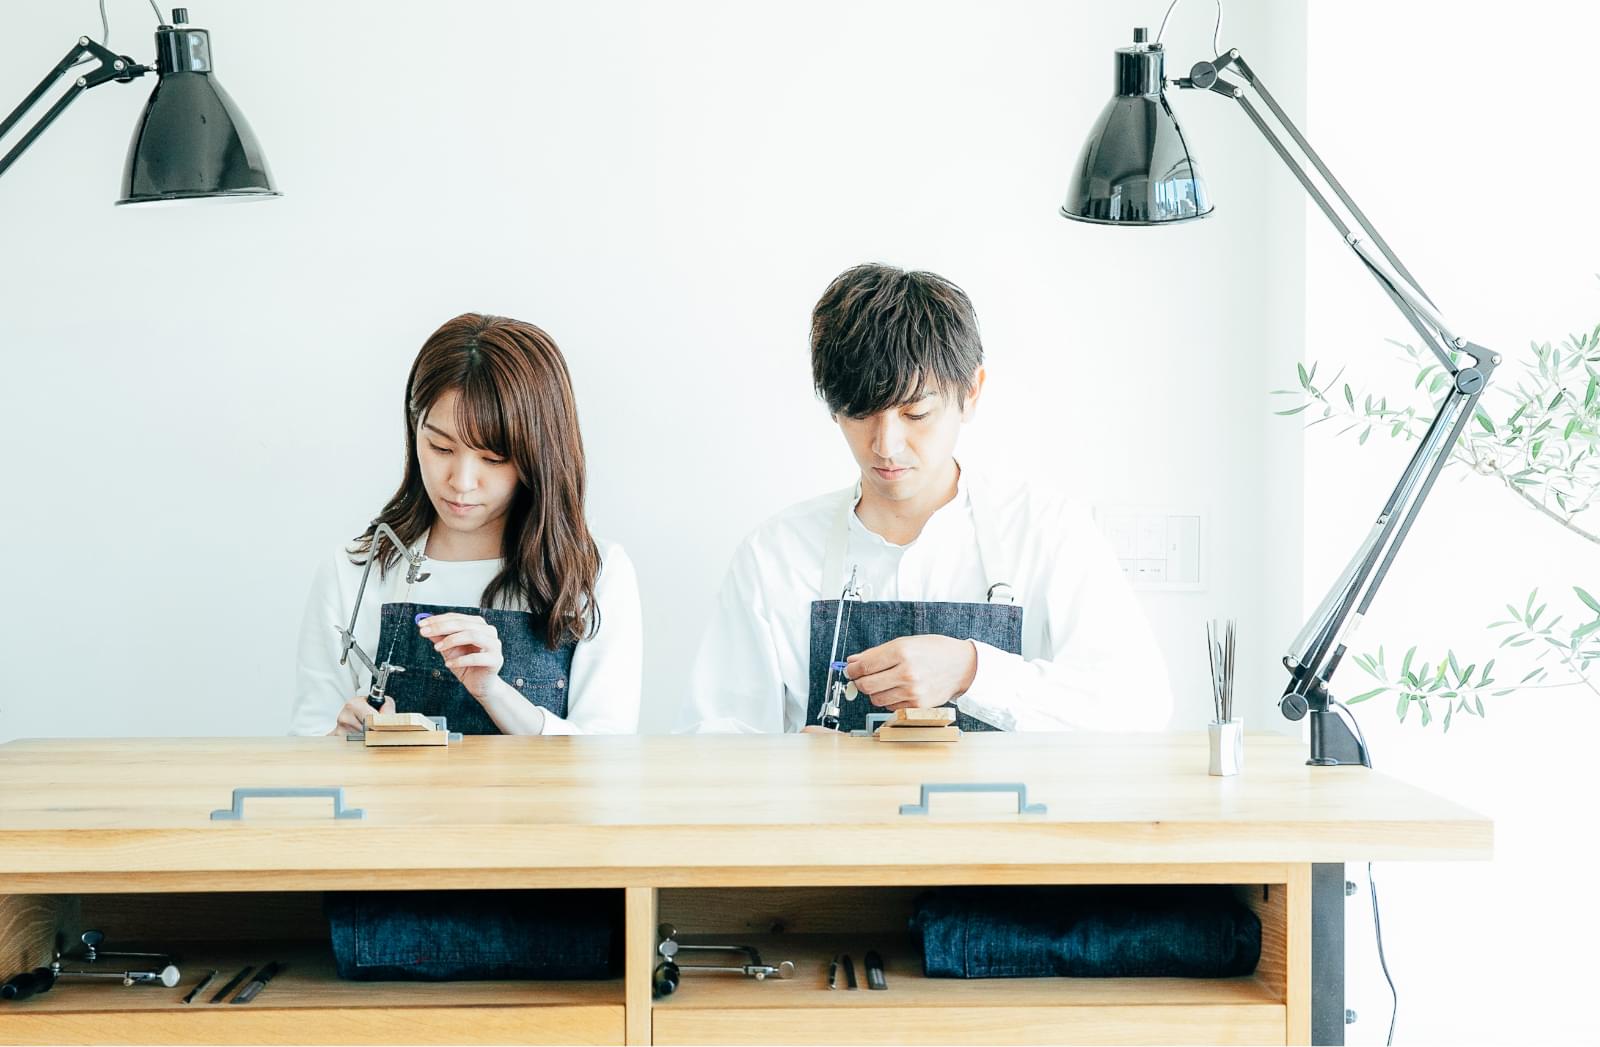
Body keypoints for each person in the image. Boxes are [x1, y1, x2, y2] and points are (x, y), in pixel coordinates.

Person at [681, 263, 1171, 734]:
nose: (886, 445)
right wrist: (792, 764)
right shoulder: (775, 554)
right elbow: (713, 739)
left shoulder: (1047, 532)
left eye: (916, 414)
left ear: (971, 392)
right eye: (860, 413)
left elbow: (1140, 707)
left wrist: (973, 672)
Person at [292, 312, 641, 739]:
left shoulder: (595, 574)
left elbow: (606, 757)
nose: (461, 482)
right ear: (414, 429)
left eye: (493, 458)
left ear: (539, 456)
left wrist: (495, 694)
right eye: (440, 447)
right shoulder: (354, 570)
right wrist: (339, 741)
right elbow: (308, 747)